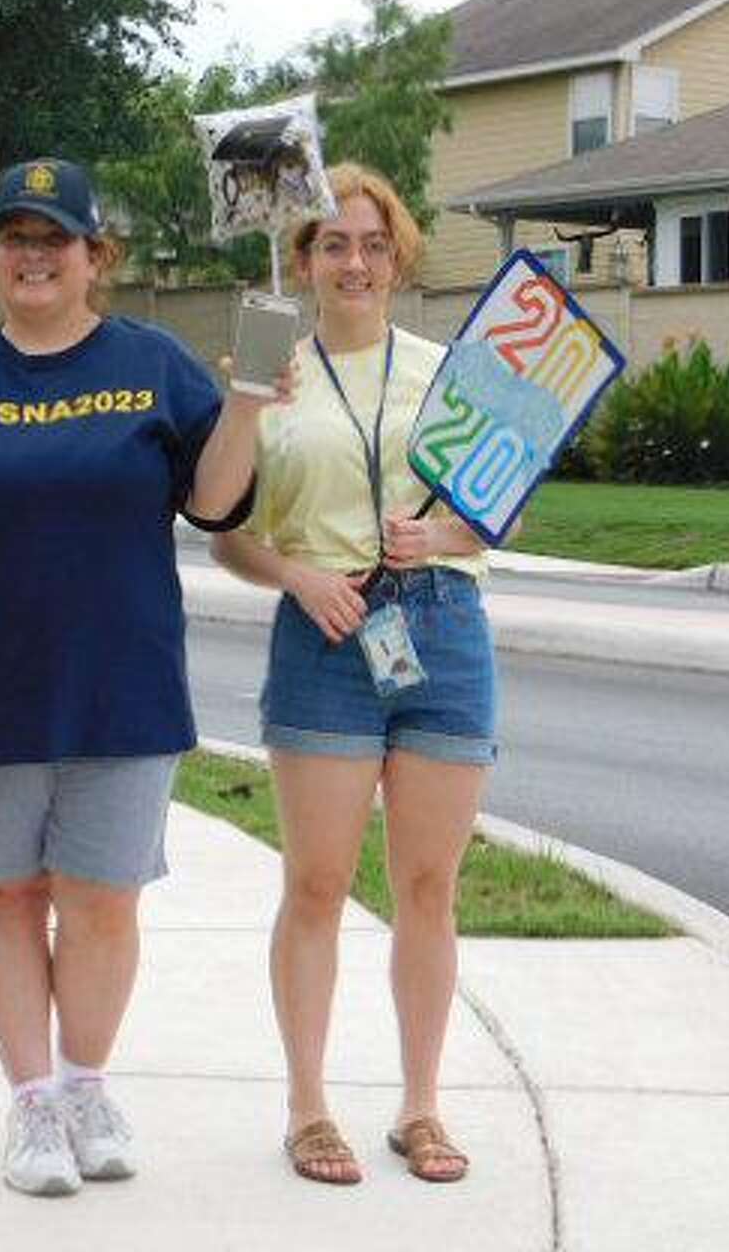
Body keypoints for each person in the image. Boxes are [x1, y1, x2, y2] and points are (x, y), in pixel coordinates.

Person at [0, 158, 292, 1197]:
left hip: (120, 685)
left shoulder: (154, 365)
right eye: (15, 239)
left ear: (96, 258)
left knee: (102, 899)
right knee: (7, 894)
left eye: (57, 238)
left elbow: (215, 507)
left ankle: (86, 1085)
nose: (35, 255)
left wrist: (248, 406)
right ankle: (32, 1103)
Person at [210, 162, 498, 1187]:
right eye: (335, 244)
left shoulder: (447, 370)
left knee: (429, 885)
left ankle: (421, 1108)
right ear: (305, 260)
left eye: (375, 243)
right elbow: (224, 534)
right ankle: (308, 1109)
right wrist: (295, 576)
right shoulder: (268, 376)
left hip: (442, 627)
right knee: (319, 884)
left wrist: (443, 532)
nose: (358, 261)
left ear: (398, 257)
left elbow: (500, 512)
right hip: (325, 635)